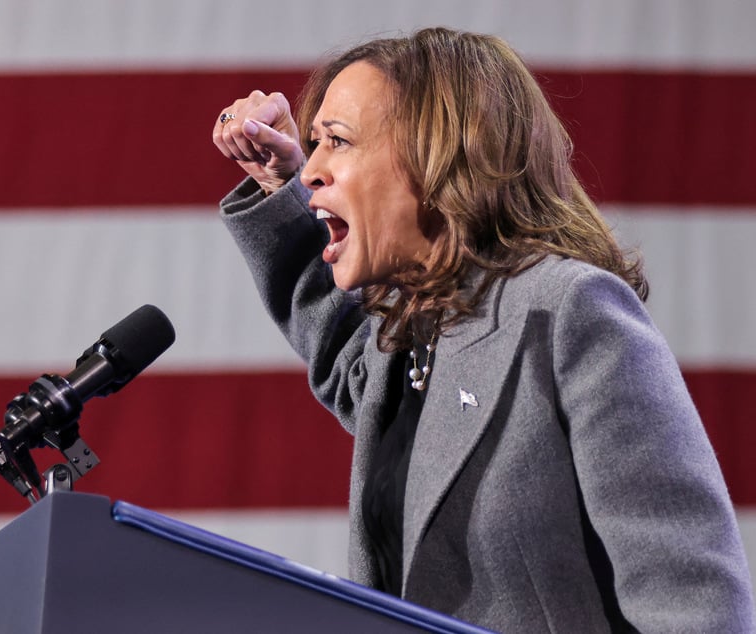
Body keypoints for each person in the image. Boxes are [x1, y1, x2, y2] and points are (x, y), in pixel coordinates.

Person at [211, 26, 754, 632]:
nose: (311, 170)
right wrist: (277, 186)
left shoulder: (570, 312)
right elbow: (341, 345)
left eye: (336, 141)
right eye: (314, 145)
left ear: (440, 156)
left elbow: (696, 607)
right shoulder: (417, 335)